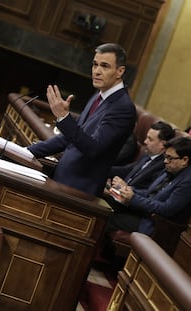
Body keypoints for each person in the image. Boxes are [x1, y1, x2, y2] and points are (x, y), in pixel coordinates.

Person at [28, 43, 136, 196]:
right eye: (95, 64)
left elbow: (93, 148)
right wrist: (25, 153)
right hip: (62, 181)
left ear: (120, 71)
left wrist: (64, 118)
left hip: (80, 192)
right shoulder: (98, 96)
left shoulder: (122, 107)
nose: (97, 71)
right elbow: (68, 138)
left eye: (104, 66)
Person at [106, 136, 191, 236]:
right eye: (165, 156)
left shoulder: (187, 182)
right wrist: (127, 189)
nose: (165, 161)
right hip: (143, 213)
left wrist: (134, 198)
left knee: (108, 218)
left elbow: (167, 209)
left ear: (184, 160)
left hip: (155, 225)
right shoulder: (169, 170)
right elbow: (149, 193)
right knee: (107, 202)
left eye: (170, 158)